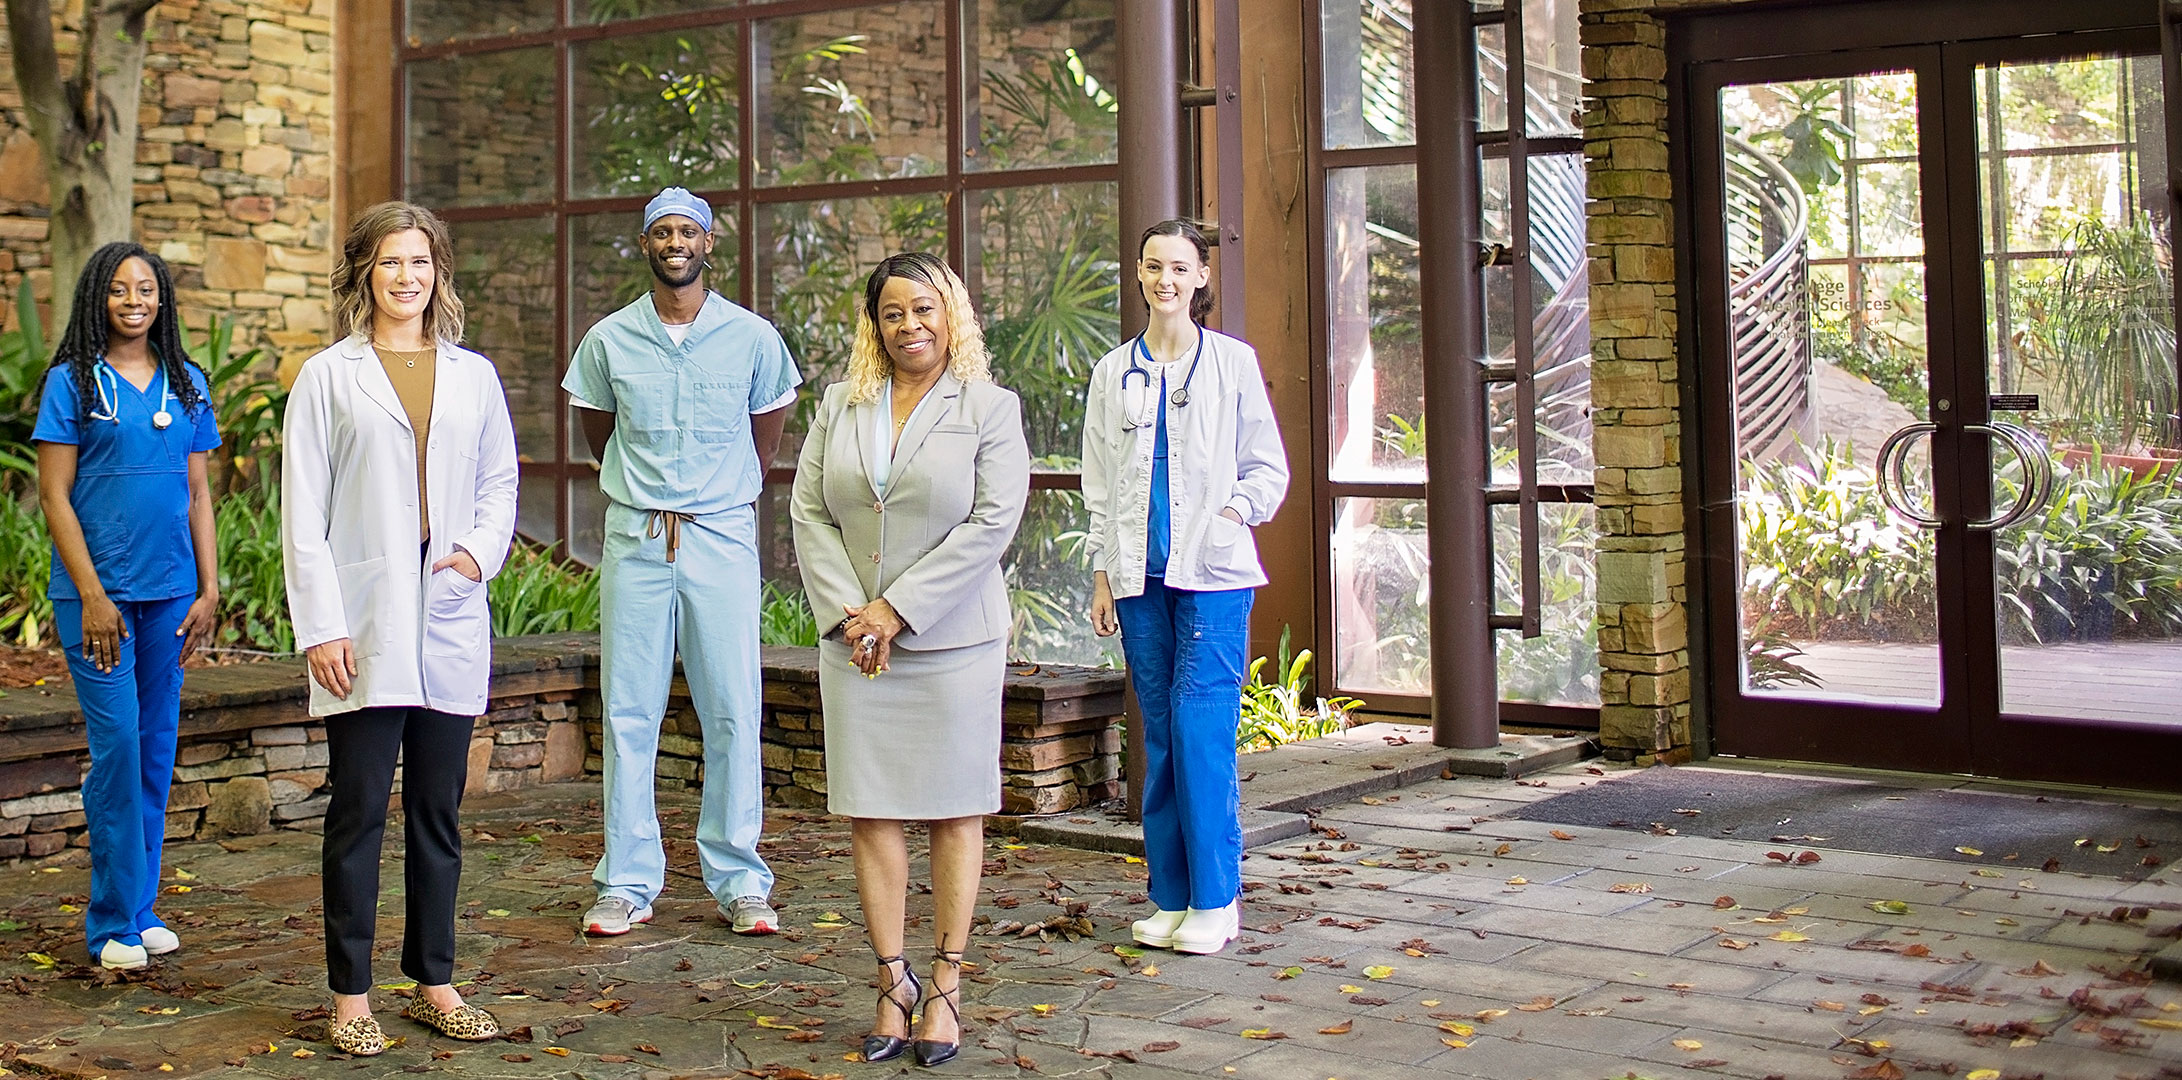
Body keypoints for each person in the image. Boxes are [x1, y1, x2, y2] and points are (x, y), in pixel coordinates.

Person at [282, 201, 519, 1055]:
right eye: (391, 262)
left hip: (448, 611)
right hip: (364, 624)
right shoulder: (327, 377)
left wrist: (473, 558)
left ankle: (434, 979)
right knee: (356, 813)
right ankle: (350, 996)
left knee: (437, 812)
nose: (406, 277)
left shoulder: (474, 376)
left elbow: (499, 482)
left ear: (438, 275)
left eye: (420, 262)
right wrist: (323, 625)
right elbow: (301, 514)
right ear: (365, 274)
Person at [791, 252, 1030, 1067]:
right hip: (858, 646)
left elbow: (994, 522)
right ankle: (892, 983)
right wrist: (854, 616)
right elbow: (808, 511)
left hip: (953, 641)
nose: (909, 327)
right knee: (873, 810)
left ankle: (947, 986)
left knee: (956, 810)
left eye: (924, 310)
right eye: (893, 313)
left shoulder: (990, 408)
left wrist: (900, 610)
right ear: (875, 323)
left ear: (950, 315)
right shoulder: (840, 404)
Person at [563, 186, 801, 940]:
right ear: (646, 245)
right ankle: (625, 883)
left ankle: (741, 881)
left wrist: (716, 493)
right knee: (629, 710)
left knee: (732, 705)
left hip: (720, 536)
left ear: (707, 243)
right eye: (662, 232)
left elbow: (768, 431)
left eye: (687, 232)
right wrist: (645, 490)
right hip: (637, 537)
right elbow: (597, 430)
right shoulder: (608, 339)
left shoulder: (753, 337)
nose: (675, 243)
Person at [1081, 219, 1288, 956]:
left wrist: (1235, 513)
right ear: (1137, 276)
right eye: (1152, 266)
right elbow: (1099, 486)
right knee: (1160, 739)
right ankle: (1169, 896)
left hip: (1215, 579)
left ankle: (1217, 898)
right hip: (1140, 580)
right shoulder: (1114, 373)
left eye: (1179, 267)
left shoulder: (1231, 363)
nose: (1165, 279)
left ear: (1201, 277)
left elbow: (1267, 468)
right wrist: (1104, 575)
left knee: (1202, 736)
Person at [33, 243, 221, 972]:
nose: (133, 300)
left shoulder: (187, 380)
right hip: (99, 600)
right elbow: (54, 495)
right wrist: (91, 596)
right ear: (97, 300)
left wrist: (208, 589)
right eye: (118, 290)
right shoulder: (72, 383)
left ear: (163, 299)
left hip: (170, 595)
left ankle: (140, 909)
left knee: (153, 749)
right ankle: (109, 920)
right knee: (115, 752)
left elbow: (200, 493)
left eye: (146, 288)